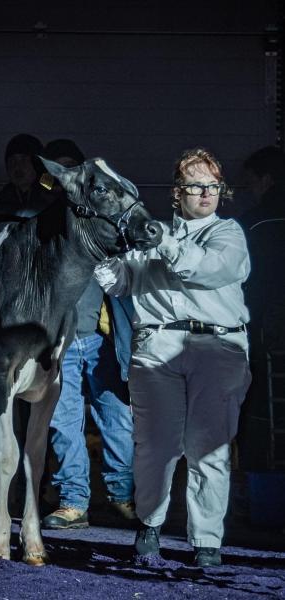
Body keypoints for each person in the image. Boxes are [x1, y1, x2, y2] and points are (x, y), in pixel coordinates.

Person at [95, 147, 252, 567]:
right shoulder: (154, 234)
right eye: (196, 185)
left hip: (218, 348)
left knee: (210, 449)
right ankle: (150, 523)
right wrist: (107, 255)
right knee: (154, 447)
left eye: (213, 186)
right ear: (176, 192)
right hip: (157, 348)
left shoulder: (228, 234)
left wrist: (161, 242)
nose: (206, 193)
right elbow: (122, 279)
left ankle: (207, 541)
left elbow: (209, 270)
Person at [39, 139, 136, 530]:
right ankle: (73, 500)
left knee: (116, 416)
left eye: (72, 171)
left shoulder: (104, 219)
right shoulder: (46, 224)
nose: (67, 180)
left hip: (100, 339)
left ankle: (123, 495)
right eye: (58, 174)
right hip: (58, 341)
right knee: (62, 422)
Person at [0, 133, 50, 515]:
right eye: (13, 159)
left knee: (42, 413)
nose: (19, 165)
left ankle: (38, 490)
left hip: (41, 328)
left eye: (26, 159)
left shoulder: (53, 207)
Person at [237, 146, 285, 470]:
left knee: (259, 407)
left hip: (264, 327)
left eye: (251, 183)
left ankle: (259, 481)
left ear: (266, 181)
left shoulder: (251, 224)